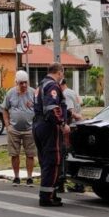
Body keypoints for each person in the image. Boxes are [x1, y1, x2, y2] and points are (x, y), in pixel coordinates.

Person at [33, 63, 69, 207]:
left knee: (45, 161)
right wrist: (62, 124)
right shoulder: (53, 86)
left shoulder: (41, 85)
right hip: (49, 127)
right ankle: (46, 196)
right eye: (63, 73)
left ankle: (50, 193)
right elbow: (53, 108)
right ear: (59, 72)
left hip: (38, 125)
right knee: (53, 161)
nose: (62, 76)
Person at [2, 70, 36, 186]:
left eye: (26, 82)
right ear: (16, 82)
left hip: (29, 129)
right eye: (21, 83)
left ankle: (29, 177)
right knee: (14, 154)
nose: (24, 85)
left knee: (30, 154)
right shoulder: (10, 93)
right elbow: (5, 109)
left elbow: (39, 109)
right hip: (14, 129)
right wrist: (7, 126)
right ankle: (16, 177)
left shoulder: (33, 93)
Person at [58, 78, 85, 193]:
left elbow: (70, 112)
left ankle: (67, 183)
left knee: (67, 155)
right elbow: (80, 103)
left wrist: (76, 117)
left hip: (70, 129)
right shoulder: (72, 92)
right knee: (75, 155)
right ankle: (78, 184)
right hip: (76, 127)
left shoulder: (65, 94)